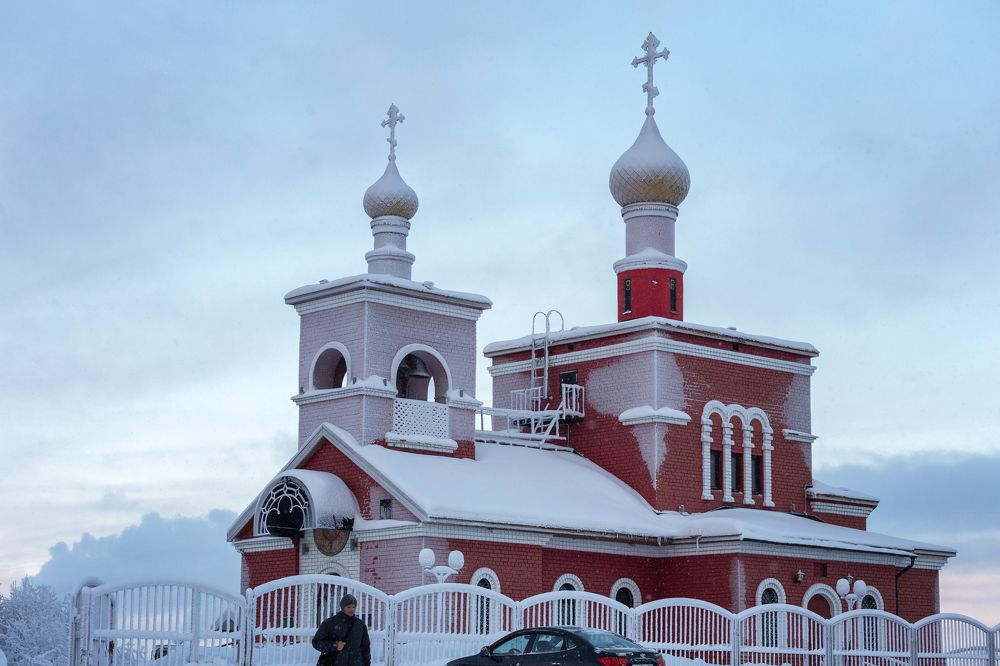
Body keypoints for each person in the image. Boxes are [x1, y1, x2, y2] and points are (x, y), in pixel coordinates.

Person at [313, 593, 371, 666]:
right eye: (349, 607)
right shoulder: (329, 623)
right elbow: (316, 642)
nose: (352, 609)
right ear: (343, 608)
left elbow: (365, 647)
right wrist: (335, 645)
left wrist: (367, 664)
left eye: (354, 607)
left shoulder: (360, 625)